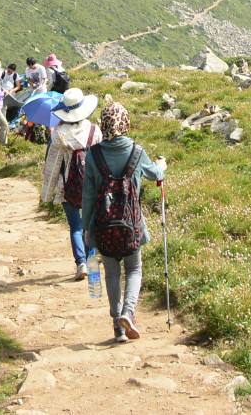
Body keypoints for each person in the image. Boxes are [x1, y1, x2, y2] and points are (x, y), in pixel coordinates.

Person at [81, 101, 167, 342]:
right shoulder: (137, 152)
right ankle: (128, 312)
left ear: (104, 124)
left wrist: (86, 228)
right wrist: (162, 165)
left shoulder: (93, 155)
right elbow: (156, 174)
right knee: (134, 269)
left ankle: (117, 325)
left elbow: (88, 196)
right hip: (132, 226)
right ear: (125, 122)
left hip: (103, 226)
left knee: (111, 273)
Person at [40, 87, 101, 277]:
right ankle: (92, 264)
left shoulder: (58, 134)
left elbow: (52, 165)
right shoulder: (94, 130)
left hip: (67, 186)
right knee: (90, 225)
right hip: (91, 185)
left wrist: (46, 194)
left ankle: (80, 263)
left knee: (75, 226)